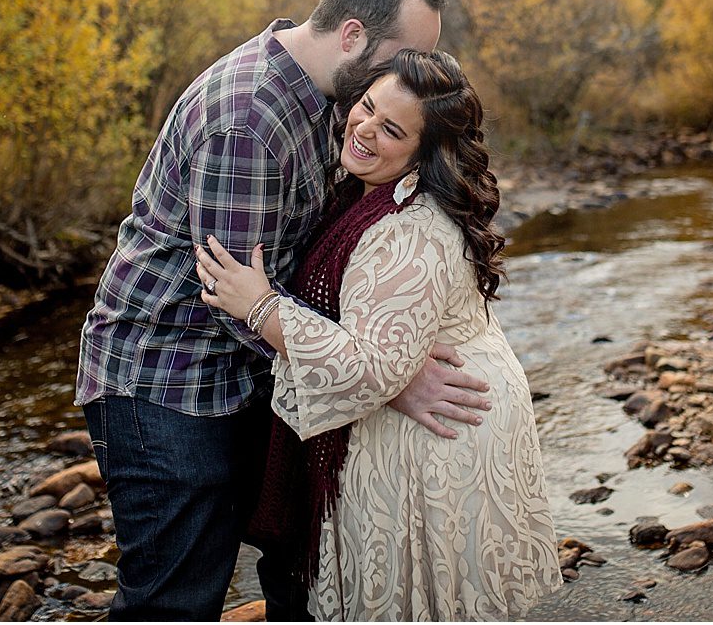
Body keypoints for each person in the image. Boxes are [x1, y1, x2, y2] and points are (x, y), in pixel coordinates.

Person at [76, 0, 494, 621]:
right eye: (403, 57)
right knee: (175, 601)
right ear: (353, 35)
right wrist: (383, 379)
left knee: (296, 563)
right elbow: (235, 305)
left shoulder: (332, 96)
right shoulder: (248, 118)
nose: (406, 80)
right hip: (169, 383)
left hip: (243, 380)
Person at [196, 49, 563, 621]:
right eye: (366, 107)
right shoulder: (364, 193)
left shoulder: (407, 229)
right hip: (433, 411)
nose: (365, 128)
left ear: (424, 151)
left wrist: (261, 306)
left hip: (438, 433)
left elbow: (375, 367)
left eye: (391, 129)